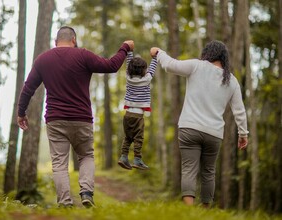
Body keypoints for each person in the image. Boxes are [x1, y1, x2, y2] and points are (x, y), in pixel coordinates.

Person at [17, 26, 134, 208]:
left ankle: (65, 202)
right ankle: (87, 193)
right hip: (82, 118)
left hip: (56, 120)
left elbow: (28, 88)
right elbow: (111, 66)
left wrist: (21, 112)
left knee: (59, 164)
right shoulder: (83, 55)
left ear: (56, 42)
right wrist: (125, 47)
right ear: (74, 40)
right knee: (86, 155)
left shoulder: (43, 59)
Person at [150, 40, 249, 207]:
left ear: (207, 53)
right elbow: (239, 110)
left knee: (189, 169)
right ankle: (205, 212)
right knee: (208, 173)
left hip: (189, 128)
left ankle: (190, 212)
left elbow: (170, 65)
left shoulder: (197, 66)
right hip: (214, 133)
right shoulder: (231, 80)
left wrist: (159, 52)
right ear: (224, 58)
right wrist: (243, 134)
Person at [117, 50, 157, 170]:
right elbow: (153, 68)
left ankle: (123, 157)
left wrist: (129, 52)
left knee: (128, 137)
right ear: (144, 70)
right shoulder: (147, 79)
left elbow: (129, 62)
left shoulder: (128, 78)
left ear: (129, 70)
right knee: (138, 138)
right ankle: (137, 159)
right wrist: (155, 57)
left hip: (128, 115)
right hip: (138, 116)